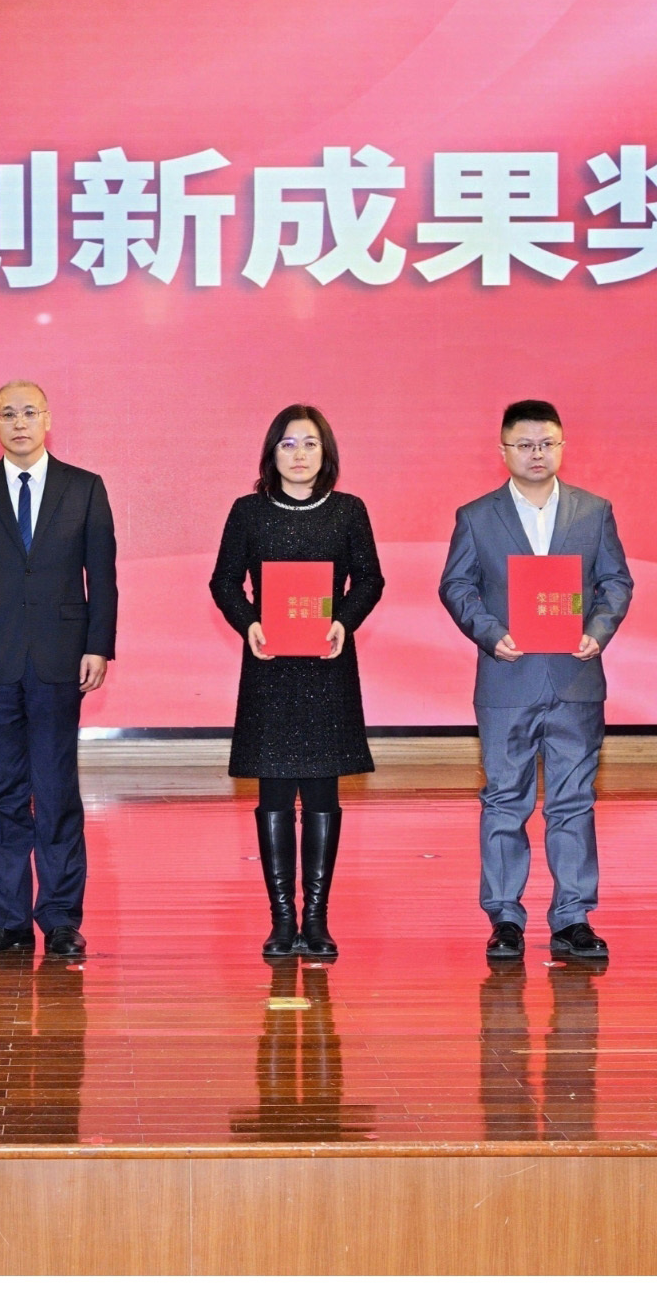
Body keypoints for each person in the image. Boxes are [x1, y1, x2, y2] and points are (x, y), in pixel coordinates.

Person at [436, 399, 630, 965]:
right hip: (506, 677)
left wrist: (598, 630)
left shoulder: (594, 511)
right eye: (524, 445)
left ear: (562, 446)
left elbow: (616, 581)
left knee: (574, 801)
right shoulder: (477, 516)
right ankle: (505, 918)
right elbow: (457, 585)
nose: (536, 454)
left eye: (546, 443)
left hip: (576, 676)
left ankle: (573, 918)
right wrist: (489, 632)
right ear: (503, 451)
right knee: (504, 800)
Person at [0, 380, 118, 961]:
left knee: (56, 788)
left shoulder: (84, 487)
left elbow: (103, 575)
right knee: (3, 792)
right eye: (8, 414)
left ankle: (61, 919)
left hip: (61, 656)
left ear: (48, 419)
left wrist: (98, 645)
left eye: (29, 412)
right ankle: (8, 920)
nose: (19, 423)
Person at [214, 403, 389, 960]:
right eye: (288, 443)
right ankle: (282, 920)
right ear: (272, 453)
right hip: (269, 666)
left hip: (326, 665)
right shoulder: (248, 511)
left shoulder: (348, 511)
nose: (299, 454)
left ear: (326, 452)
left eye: (310, 443)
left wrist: (343, 620)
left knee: (321, 794)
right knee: (272, 793)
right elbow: (223, 582)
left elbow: (370, 579)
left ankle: (315, 919)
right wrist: (249, 623)